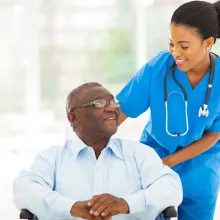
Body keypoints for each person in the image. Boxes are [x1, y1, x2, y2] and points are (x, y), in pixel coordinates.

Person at [13, 82, 182, 220]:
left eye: (113, 103)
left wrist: (125, 204)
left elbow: (171, 187)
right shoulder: (51, 157)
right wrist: (72, 208)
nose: (111, 108)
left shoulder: (139, 153)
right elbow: (23, 189)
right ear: (73, 118)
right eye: (100, 104)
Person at [116, 1, 220, 220]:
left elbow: (214, 133)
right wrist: (92, 142)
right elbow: (121, 111)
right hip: (154, 158)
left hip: (200, 167)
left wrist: (169, 163)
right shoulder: (158, 68)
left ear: (208, 42)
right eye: (171, 43)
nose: (175, 52)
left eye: (184, 45)